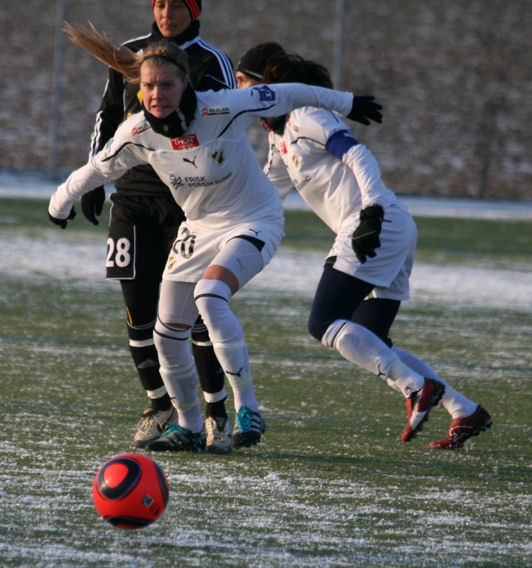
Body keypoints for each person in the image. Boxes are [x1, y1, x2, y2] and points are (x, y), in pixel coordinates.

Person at [48, 25, 383, 452]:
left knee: (210, 295)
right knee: (168, 332)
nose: (156, 95)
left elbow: (288, 93)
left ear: (185, 82)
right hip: (198, 228)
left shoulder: (222, 107)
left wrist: (348, 103)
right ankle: (187, 424)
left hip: (253, 220)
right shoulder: (137, 133)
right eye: (148, 86)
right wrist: (59, 202)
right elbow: (97, 169)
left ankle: (248, 408)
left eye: (166, 85)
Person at [237, 44, 492, 450]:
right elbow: (266, 197)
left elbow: (358, 153)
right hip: (391, 225)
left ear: (268, 85)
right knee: (371, 336)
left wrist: (370, 212)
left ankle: (414, 387)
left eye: (244, 83)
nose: (240, 92)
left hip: (375, 225)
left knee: (323, 322)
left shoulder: (305, 115)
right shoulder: (279, 134)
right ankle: (464, 410)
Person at [82, 0, 237, 453]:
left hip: (186, 204)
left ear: (195, 9)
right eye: (159, 2)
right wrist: (94, 177)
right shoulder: (128, 54)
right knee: (137, 312)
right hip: (131, 201)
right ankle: (160, 406)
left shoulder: (212, 62)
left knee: (192, 317)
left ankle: (216, 416)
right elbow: (107, 117)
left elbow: (226, 129)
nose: (167, 11)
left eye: (176, 4)